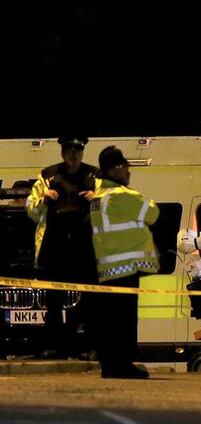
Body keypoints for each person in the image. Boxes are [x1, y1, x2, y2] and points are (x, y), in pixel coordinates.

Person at [87, 145, 160, 379]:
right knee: (124, 320)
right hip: (125, 265)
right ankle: (122, 365)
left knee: (109, 320)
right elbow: (153, 214)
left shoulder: (98, 197)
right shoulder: (122, 195)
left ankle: (110, 365)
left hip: (107, 266)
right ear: (115, 169)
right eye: (125, 167)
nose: (128, 172)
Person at [26, 136, 99, 359]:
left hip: (84, 245)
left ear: (83, 151)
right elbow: (31, 210)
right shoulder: (48, 176)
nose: (73, 153)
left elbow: (113, 206)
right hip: (54, 245)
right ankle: (54, 347)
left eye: (77, 149)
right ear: (62, 152)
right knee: (53, 300)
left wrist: (97, 199)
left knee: (90, 298)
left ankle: (86, 346)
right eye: (69, 149)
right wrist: (44, 199)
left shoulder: (94, 175)